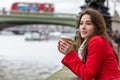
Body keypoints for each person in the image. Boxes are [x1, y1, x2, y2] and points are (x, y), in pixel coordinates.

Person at [57, 8, 120, 80]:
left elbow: (87, 75)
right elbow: (83, 72)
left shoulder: (97, 41)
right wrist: (68, 53)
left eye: (88, 23)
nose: (83, 27)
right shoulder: (96, 40)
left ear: (97, 27)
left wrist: (70, 54)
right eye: (81, 23)